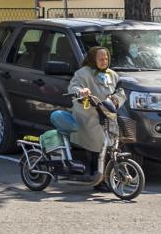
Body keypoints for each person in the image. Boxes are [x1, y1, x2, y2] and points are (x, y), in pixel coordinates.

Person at [48, 45, 127, 186]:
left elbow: (120, 91)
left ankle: (106, 177)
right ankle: (96, 178)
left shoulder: (113, 75)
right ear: (92, 59)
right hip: (88, 115)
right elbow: (73, 87)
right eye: (100, 59)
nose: (104, 61)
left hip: (107, 114)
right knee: (99, 143)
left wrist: (116, 99)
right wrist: (81, 91)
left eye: (106, 58)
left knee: (111, 143)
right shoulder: (83, 73)